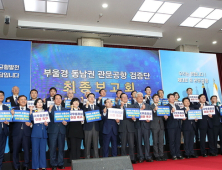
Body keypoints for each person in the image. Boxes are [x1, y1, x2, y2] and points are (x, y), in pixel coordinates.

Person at [11, 95, 32, 170]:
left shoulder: (29, 110)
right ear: (18, 101)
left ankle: (26, 165)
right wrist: (12, 115)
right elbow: (9, 121)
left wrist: (30, 124)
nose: (23, 101)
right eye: (21, 99)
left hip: (26, 133)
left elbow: (33, 121)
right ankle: (16, 166)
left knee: (26, 150)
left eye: (24, 99)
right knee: (15, 150)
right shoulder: (13, 110)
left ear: (26, 101)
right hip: (16, 133)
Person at [48, 94, 68, 170]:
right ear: (54, 100)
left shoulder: (64, 109)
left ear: (62, 100)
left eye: (60, 98)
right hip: (53, 131)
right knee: (52, 148)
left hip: (62, 131)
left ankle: (60, 163)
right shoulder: (50, 108)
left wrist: (66, 122)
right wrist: (49, 110)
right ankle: (53, 164)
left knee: (61, 148)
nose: (58, 100)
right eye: (56, 98)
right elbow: (47, 118)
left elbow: (67, 120)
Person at [133, 92, 153, 163]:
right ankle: (140, 156)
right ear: (136, 98)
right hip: (138, 126)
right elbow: (133, 116)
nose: (141, 97)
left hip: (146, 126)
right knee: (139, 142)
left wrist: (149, 119)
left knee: (147, 142)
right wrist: (141, 109)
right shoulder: (133, 106)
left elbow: (151, 114)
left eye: (142, 96)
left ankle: (148, 156)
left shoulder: (147, 105)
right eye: (139, 96)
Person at [117, 93, 136, 164]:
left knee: (131, 144)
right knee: (123, 145)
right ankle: (123, 158)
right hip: (122, 128)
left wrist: (134, 119)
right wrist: (121, 107)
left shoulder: (132, 106)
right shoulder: (118, 107)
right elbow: (118, 116)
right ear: (120, 99)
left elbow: (135, 117)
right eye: (123, 97)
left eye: (126, 97)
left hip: (130, 127)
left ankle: (132, 158)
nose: (125, 98)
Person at [164, 93, 184, 160]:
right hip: (171, 126)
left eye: (173, 97)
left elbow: (180, 114)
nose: (173, 98)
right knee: (172, 141)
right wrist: (171, 112)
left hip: (178, 125)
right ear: (168, 99)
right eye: (171, 97)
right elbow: (165, 118)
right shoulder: (166, 106)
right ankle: (173, 154)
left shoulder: (177, 106)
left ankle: (178, 154)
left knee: (178, 141)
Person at [30, 98, 48, 170]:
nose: (40, 103)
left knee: (43, 151)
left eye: (41, 102)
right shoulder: (34, 111)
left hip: (43, 133)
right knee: (35, 151)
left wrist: (47, 124)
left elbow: (48, 123)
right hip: (35, 133)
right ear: (35, 104)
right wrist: (31, 110)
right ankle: (36, 166)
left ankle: (43, 166)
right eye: (38, 102)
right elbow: (31, 118)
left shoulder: (45, 112)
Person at [83, 93, 100, 159]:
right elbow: (83, 115)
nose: (92, 98)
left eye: (93, 97)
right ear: (87, 98)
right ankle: (87, 157)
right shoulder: (84, 106)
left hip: (95, 127)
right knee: (87, 144)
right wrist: (87, 107)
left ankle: (96, 157)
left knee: (95, 144)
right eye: (90, 97)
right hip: (88, 128)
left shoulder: (97, 107)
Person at [150, 94, 166, 161]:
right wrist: (154, 110)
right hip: (154, 126)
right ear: (152, 99)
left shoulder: (161, 107)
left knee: (161, 141)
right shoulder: (150, 107)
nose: (157, 99)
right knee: (155, 141)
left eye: (157, 97)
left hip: (161, 126)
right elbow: (149, 114)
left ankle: (161, 155)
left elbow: (163, 116)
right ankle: (156, 155)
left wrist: (165, 116)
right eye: (155, 97)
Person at [5, 86, 20, 153]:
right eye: (14, 89)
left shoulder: (22, 98)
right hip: (11, 121)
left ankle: (20, 151)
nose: (16, 90)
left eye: (17, 89)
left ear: (19, 90)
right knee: (11, 136)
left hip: (20, 120)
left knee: (21, 136)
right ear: (12, 90)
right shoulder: (8, 99)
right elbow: (6, 110)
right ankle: (11, 150)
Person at [0, 91, 10, 170]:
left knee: (2, 150)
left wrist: (8, 122)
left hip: (4, 131)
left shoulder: (6, 107)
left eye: (2, 95)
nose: (1, 96)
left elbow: (8, 119)